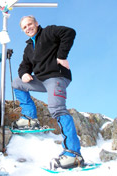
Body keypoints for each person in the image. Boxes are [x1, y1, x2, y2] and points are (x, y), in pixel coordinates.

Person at [11, 15, 83, 170]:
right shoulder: (29, 48)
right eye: (24, 27)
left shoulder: (49, 32)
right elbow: (24, 65)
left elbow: (69, 32)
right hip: (41, 79)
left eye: (30, 24)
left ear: (36, 23)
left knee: (56, 109)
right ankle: (30, 118)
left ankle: (73, 153)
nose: (28, 28)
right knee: (16, 83)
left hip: (56, 76)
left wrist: (61, 56)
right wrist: (24, 73)